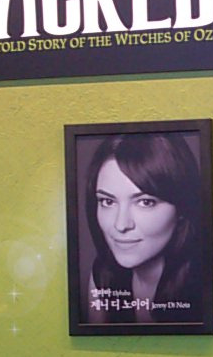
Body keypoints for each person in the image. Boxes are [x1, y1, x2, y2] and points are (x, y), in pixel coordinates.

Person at [83, 132, 205, 325]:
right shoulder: (103, 274)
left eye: (145, 202)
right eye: (107, 201)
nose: (121, 225)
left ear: (182, 208)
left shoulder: (203, 287)